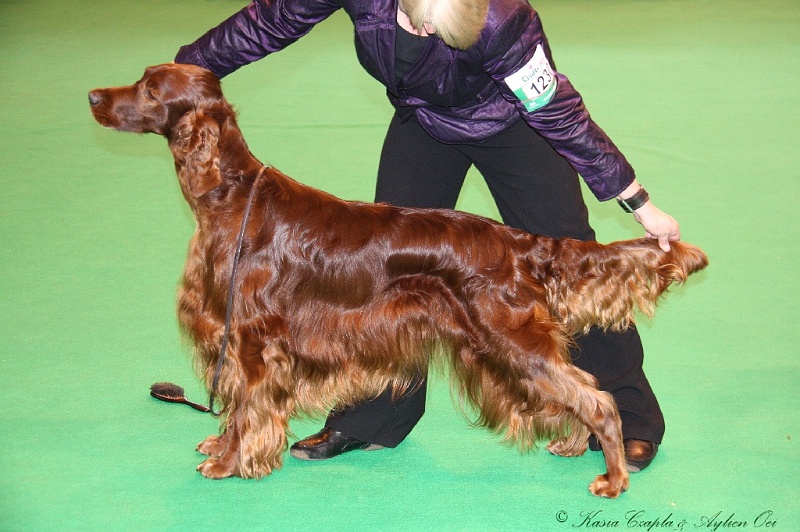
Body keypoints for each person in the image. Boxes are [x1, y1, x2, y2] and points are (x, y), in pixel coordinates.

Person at [175, 0, 681, 472]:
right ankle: (372, 419)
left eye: (442, 33)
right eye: (419, 24)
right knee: (381, 272)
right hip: (424, 119)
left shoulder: (506, 21)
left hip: (514, 124)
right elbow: (273, 19)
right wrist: (188, 68)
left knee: (568, 249)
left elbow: (560, 112)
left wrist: (637, 200)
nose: (425, 35)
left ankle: (630, 415)